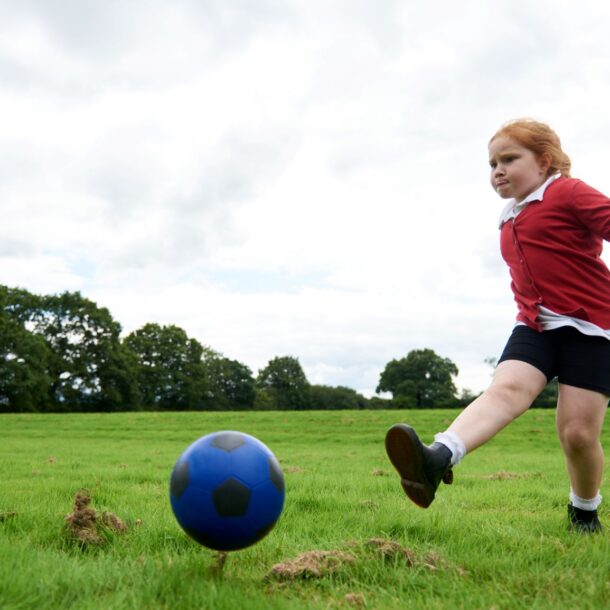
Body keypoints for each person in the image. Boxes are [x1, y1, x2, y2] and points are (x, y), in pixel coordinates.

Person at [385, 118, 610, 533]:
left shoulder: (567, 192)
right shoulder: (509, 215)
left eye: (509, 159)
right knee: (505, 391)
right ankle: (437, 458)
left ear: (544, 162)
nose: (498, 171)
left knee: (577, 433)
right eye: (492, 164)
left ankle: (584, 510)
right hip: (535, 325)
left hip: (592, 327)